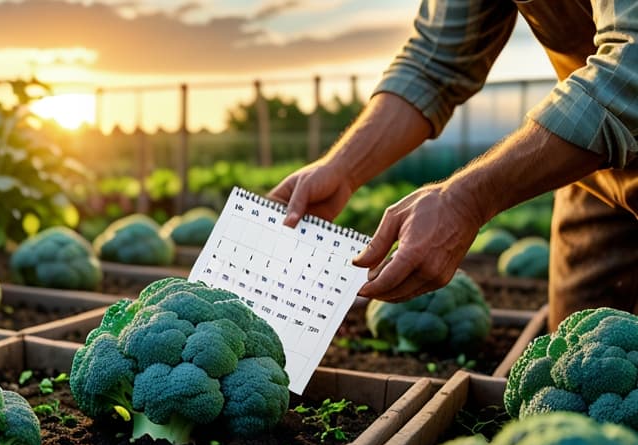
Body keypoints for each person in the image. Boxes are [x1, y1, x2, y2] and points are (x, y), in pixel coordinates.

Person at [269, 0, 638, 331]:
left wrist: (466, 200)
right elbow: (434, 61)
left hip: (597, 137)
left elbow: (630, 68)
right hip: (590, 169)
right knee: (581, 362)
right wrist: (342, 168)